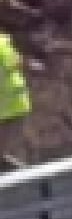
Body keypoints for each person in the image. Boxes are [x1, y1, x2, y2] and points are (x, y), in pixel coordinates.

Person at [0, 27, 40, 170]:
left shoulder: (3, 42)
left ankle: (24, 174)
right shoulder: (2, 42)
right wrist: (32, 65)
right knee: (4, 150)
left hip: (11, 105)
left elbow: (14, 61)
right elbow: (14, 62)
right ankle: (25, 173)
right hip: (11, 105)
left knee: (4, 149)